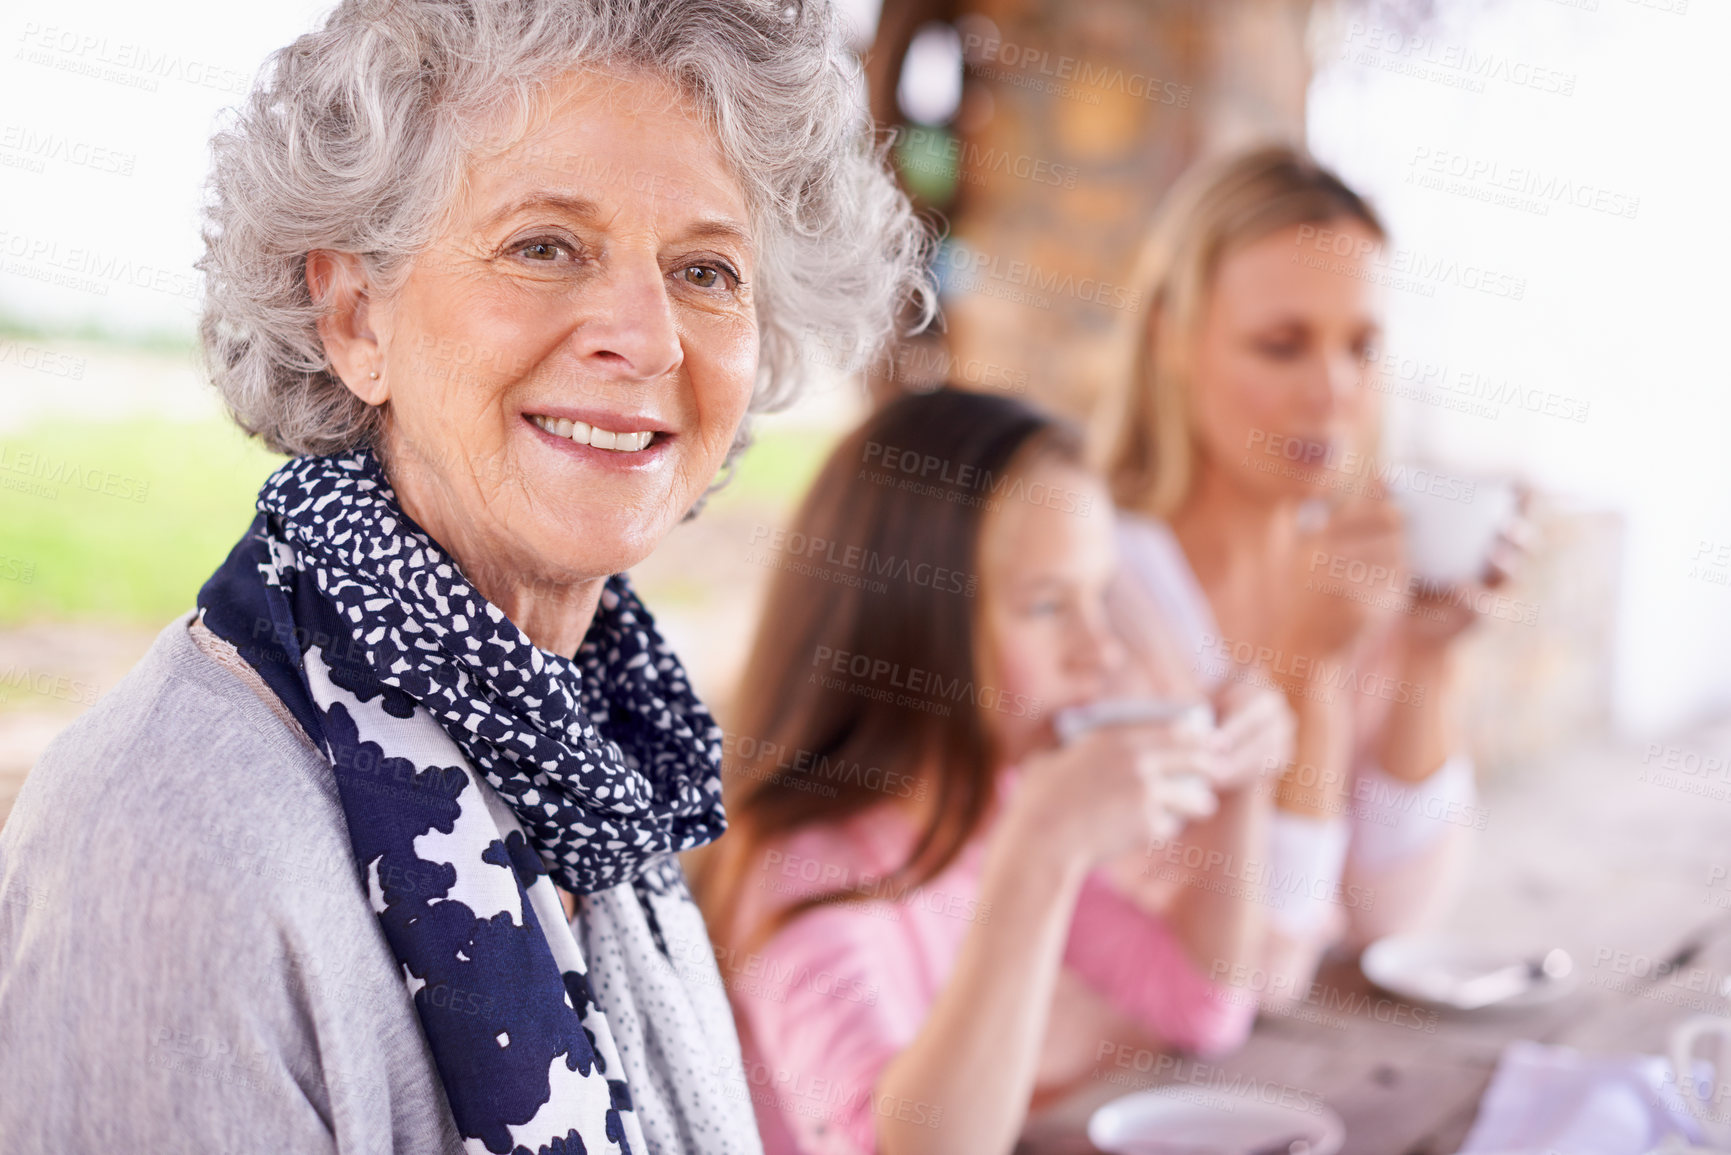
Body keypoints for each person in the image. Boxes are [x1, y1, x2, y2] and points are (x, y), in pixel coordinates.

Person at [0, 1, 930, 1151]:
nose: (646, 339)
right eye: (545, 246)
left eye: (705, 269)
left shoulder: (606, 754)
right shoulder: (169, 837)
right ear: (353, 317)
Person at [694, 388, 1292, 1155]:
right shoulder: (798, 876)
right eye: (1047, 605)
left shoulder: (986, 806)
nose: (1100, 650)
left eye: (1098, 597)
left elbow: (1202, 1004)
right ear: (907, 629)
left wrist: (1240, 788)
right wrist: (1039, 855)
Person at [1093, 144, 1519, 1004]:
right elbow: (1248, 974)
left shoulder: (1357, 562)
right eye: (1281, 346)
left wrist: (1428, 660)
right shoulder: (1098, 592)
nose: (1331, 390)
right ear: (1171, 336)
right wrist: (1306, 670)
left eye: (1361, 346)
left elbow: (1393, 919)